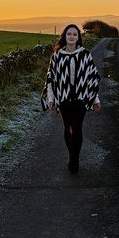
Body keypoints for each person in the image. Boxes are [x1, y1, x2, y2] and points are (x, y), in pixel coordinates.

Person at [41, 24, 101, 173]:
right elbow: (51, 79)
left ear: (78, 37)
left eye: (75, 34)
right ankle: (71, 155)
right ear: (65, 36)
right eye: (69, 34)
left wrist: (96, 100)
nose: (72, 37)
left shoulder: (85, 54)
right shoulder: (56, 56)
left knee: (77, 127)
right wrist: (50, 99)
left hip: (81, 99)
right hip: (63, 99)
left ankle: (74, 160)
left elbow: (92, 78)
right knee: (67, 129)